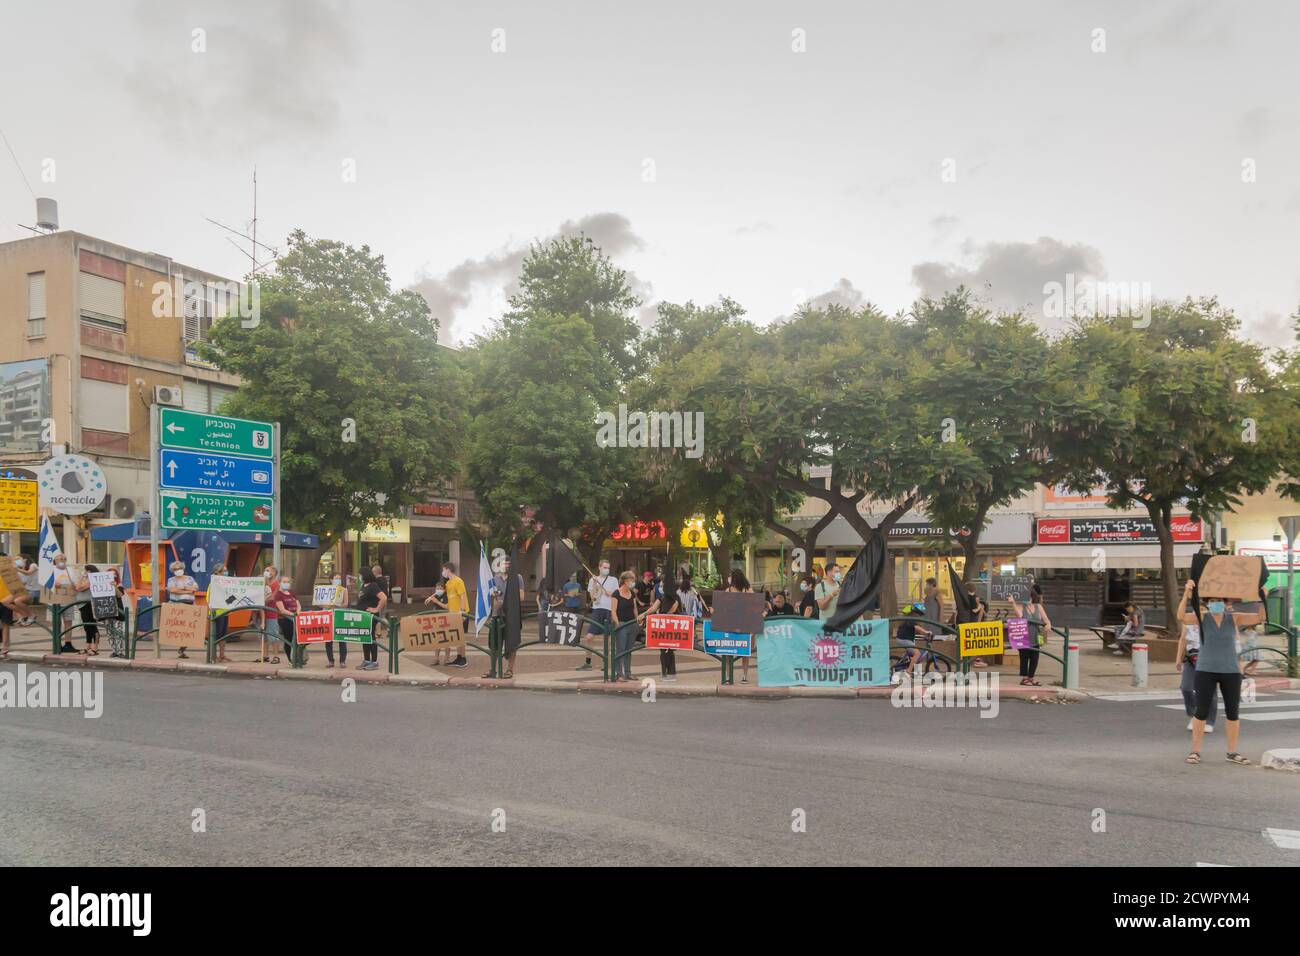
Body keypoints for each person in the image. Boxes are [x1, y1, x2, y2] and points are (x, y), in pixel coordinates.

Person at [1179, 580, 1262, 766]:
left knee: (1233, 712)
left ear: (1225, 603)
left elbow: (1259, 618)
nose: (1215, 602)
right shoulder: (1201, 617)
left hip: (1231, 670)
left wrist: (1261, 597)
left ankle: (1232, 752)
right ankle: (1195, 751)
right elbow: (1181, 616)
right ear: (1207, 602)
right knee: (1201, 711)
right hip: (1205, 669)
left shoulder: (1234, 618)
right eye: (1212, 600)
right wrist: (1186, 593)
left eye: (1219, 600)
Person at [1175, 616, 1216, 734]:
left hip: (1209, 658)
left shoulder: (1212, 621)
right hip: (1191, 658)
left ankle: (1209, 721)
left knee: (1209, 691)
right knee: (1186, 688)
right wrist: (1178, 658)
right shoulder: (1187, 620)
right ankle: (1195, 716)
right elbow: (1183, 639)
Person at [660, 571, 704, 682]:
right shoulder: (691, 593)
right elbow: (697, 603)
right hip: (686, 617)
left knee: (666, 650)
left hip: (672, 622)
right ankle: (670, 672)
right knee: (669, 649)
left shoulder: (677, 593)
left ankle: (667, 673)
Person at [489, 556, 525, 678]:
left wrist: (507, 601)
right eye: (504, 564)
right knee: (495, 644)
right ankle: (493, 669)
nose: (506, 566)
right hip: (497, 614)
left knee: (512, 643)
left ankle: (509, 669)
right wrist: (494, 599)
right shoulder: (494, 578)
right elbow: (490, 596)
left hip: (512, 616)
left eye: (508, 564)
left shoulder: (517, 577)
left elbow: (521, 597)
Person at [1009, 587, 1052, 687]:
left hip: (1036, 636)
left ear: (1032, 596)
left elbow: (1046, 619)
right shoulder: (1021, 606)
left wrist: (1048, 624)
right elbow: (1019, 615)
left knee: (1034, 658)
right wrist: (1013, 603)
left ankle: (1031, 678)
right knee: (1024, 657)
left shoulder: (1038, 606)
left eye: (1027, 595)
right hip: (1023, 635)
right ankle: (1024, 679)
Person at [580, 560, 617, 672]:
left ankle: (605, 662)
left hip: (609, 610)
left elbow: (617, 594)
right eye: (605, 567)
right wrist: (595, 583)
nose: (607, 570)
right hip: (597, 610)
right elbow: (593, 598)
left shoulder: (613, 580)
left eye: (608, 568)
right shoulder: (593, 580)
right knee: (589, 637)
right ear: (599, 567)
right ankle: (588, 661)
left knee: (609, 638)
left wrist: (611, 593)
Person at [610, 571, 646, 682]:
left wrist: (637, 620)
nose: (633, 582)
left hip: (632, 624)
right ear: (625, 581)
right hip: (621, 624)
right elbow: (613, 611)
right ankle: (619, 674)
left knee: (629, 650)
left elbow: (634, 608)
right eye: (632, 580)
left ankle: (628, 673)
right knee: (620, 650)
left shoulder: (632, 593)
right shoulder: (616, 593)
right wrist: (617, 624)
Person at [726, 568, 757, 684]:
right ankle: (744, 675)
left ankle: (729, 676)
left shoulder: (731, 590)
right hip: (745, 623)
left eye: (730, 576)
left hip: (734, 623)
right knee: (743, 652)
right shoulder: (748, 590)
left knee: (733, 651)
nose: (729, 579)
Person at [165, 559, 199, 659]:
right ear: (172, 570)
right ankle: (181, 649)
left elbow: (195, 588)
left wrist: (180, 590)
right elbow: (172, 590)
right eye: (176, 569)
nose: (178, 570)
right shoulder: (171, 580)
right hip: (177, 606)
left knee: (190, 628)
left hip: (190, 605)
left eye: (180, 568)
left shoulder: (190, 578)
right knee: (179, 629)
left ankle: (182, 648)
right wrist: (187, 590)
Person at [357, 569, 388, 671]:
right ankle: (366, 660)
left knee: (371, 637)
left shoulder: (373, 585)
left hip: (370, 616)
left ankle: (374, 661)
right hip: (363, 615)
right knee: (365, 637)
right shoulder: (363, 585)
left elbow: (383, 597)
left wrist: (376, 609)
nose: (359, 577)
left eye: (360, 575)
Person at [895, 603, 934, 675]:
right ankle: (908, 671)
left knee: (913, 654)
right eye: (919, 614)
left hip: (904, 639)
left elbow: (916, 630)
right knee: (917, 653)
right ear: (916, 612)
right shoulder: (912, 618)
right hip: (904, 640)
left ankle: (909, 666)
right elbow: (917, 628)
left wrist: (924, 635)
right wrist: (926, 632)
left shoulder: (910, 618)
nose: (919, 616)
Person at [271, 575, 300, 663]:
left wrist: (298, 612)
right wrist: (292, 614)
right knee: (289, 639)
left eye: (288, 582)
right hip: (285, 620)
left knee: (297, 639)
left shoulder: (291, 592)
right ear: (280, 583)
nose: (286, 584)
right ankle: (291, 659)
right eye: (284, 582)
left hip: (295, 618)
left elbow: (298, 603)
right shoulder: (278, 595)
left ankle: (297, 657)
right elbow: (282, 610)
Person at [323, 572, 349, 669]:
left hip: (339, 616)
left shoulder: (344, 590)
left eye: (339, 578)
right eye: (336, 578)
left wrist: (337, 605)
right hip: (328, 616)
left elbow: (346, 604)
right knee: (328, 639)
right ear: (331, 580)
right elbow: (320, 603)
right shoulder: (326, 590)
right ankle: (330, 660)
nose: (338, 580)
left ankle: (342, 660)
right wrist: (328, 606)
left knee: (341, 638)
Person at [259, 565, 279, 663]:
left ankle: (276, 656)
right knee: (263, 636)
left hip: (271, 613)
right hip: (261, 614)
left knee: (273, 635)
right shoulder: (262, 583)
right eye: (265, 570)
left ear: (274, 572)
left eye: (267, 570)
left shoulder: (277, 584)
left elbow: (272, 597)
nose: (265, 572)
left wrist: (261, 601)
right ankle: (265, 655)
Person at [16, 556, 39, 625]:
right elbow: (23, 583)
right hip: (27, 590)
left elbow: (28, 573)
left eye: (18, 559)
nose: (16, 561)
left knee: (17, 601)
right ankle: (22, 616)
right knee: (9, 601)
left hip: (35, 590)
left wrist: (16, 569)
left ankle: (31, 615)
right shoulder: (20, 571)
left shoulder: (33, 565)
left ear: (25, 559)